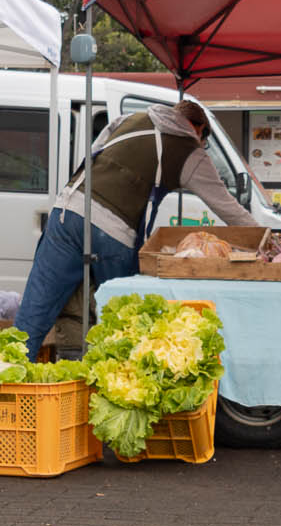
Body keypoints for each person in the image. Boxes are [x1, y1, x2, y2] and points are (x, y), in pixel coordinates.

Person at [14, 98, 253, 353]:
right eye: (203, 139)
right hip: (113, 230)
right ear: (197, 127)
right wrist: (264, 235)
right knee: (123, 323)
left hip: (68, 211)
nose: (202, 145)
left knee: (34, 311)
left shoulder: (128, 120)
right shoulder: (189, 150)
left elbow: (94, 157)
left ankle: (4, 375)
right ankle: (115, 384)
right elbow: (227, 207)